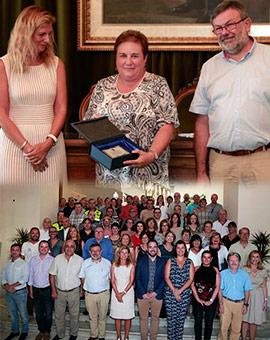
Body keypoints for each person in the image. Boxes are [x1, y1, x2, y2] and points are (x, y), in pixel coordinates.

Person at [84, 30, 179, 186]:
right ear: (116, 59)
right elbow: (88, 125)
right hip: (109, 177)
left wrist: (151, 155)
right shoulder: (102, 86)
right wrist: (94, 128)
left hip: (147, 174)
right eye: (123, 55)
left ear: (145, 59)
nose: (128, 61)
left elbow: (167, 127)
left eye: (134, 56)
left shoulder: (158, 85)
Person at [190, 0, 270, 183]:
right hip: (221, 164)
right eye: (218, 28)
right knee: (224, 212)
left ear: (247, 24)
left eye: (230, 25)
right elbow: (202, 122)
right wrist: (201, 172)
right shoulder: (209, 68)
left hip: (263, 161)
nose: (224, 32)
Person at [0, 5, 67, 186]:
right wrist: (28, 149)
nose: (47, 39)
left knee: (51, 209)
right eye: (41, 34)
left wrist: (48, 143)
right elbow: (1, 114)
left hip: (51, 147)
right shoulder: (4, 65)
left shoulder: (56, 64)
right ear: (25, 34)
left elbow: (61, 108)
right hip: (15, 148)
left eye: (49, 34)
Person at [49, 240, 83, 340]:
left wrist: (81, 291)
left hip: (74, 291)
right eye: (67, 246)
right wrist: (53, 290)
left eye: (71, 246)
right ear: (64, 247)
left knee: (74, 314)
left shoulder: (80, 260)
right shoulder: (57, 258)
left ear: (75, 248)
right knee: (59, 315)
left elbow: (82, 277)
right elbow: (52, 275)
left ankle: (73, 334)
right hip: (59, 292)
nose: (69, 248)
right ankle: (60, 334)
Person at [79, 243, 111, 340]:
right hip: (90, 294)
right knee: (92, 317)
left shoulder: (107, 263)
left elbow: (110, 278)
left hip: (104, 294)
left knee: (102, 316)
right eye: (93, 251)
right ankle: (93, 335)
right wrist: (86, 289)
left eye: (97, 251)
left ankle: (101, 336)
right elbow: (82, 278)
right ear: (90, 252)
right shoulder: (85, 263)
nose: (95, 253)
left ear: (101, 251)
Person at [218, 252, 253, 340]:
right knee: (223, 328)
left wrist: (245, 304)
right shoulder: (222, 273)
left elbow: (247, 290)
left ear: (239, 261)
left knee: (236, 329)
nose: (234, 262)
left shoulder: (244, 274)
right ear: (228, 262)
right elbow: (220, 290)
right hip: (226, 302)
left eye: (236, 260)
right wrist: (221, 304)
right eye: (231, 260)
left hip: (239, 304)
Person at [135, 240, 166, 340]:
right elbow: (137, 277)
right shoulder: (140, 260)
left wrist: (156, 292)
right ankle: (144, 338)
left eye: (154, 247)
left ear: (157, 248)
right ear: (147, 248)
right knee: (143, 318)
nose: (152, 249)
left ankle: (153, 338)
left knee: (155, 318)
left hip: (157, 295)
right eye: (150, 247)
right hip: (142, 295)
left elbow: (164, 279)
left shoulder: (162, 262)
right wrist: (143, 293)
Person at [164, 240, 195, 340]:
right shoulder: (170, 261)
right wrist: (174, 291)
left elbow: (191, 279)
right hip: (170, 295)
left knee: (180, 321)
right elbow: (166, 277)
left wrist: (180, 291)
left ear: (185, 250)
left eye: (182, 248)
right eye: (178, 248)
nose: (180, 250)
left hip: (184, 295)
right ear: (175, 249)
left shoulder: (190, 262)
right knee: (171, 321)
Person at [1, 244, 29, 340]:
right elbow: (3, 277)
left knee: (23, 314)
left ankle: (24, 332)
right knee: (12, 314)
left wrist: (12, 286)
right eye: (13, 250)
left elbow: (25, 278)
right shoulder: (6, 264)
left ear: (20, 252)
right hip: (9, 293)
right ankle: (15, 331)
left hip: (20, 293)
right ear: (10, 251)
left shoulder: (24, 264)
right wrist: (7, 286)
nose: (14, 252)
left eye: (17, 250)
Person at [191, 250, 221, 340]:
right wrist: (198, 299)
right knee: (198, 322)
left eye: (208, 257)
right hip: (198, 300)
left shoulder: (215, 270)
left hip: (211, 300)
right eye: (204, 257)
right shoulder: (196, 269)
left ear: (211, 259)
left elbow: (217, 286)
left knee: (209, 323)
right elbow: (192, 284)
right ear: (201, 258)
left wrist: (211, 300)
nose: (206, 259)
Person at [28, 241, 54, 340]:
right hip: (36, 289)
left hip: (47, 289)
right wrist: (30, 290)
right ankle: (41, 331)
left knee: (48, 313)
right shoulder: (33, 260)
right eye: (42, 247)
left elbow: (54, 277)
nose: (43, 248)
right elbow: (30, 275)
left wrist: (53, 290)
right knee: (38, 313)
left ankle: (47, 331)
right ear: (38, 248)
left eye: (46, 247)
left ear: (48, 249)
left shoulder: (52, 260)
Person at [242, 250, 268, 340]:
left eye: (257, 257)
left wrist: (265, 300)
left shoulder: (263, 270)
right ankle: (244, 338)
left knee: (254, 320)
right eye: (253, 256)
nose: (255, 259)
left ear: (259, 259)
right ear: (250, 258)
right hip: (247, 295)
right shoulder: (244, 269)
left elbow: (264, 286)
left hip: (258, 297)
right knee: (245, 319)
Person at [110, 246, 135, 340]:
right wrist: (117, 293)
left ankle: (126, 337)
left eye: (126, 252)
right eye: (122, 252)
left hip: (127, 293)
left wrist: (123, 293)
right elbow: (112, 281)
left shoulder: (131, 265)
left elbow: (131, 281)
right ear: (119, 254)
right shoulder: (114, 265)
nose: (124, 254)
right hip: (116, 292)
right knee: (117, 316)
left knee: (128, 316)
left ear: (128, 254)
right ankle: (119, 337)